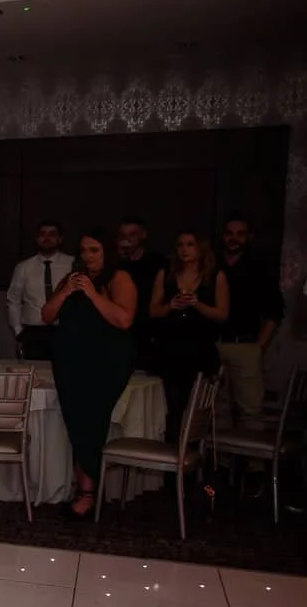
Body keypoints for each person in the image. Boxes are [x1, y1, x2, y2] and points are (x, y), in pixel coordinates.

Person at [43, 229, 137, 518]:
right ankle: (84, 488)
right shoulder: (71, 279)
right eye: (83, 250)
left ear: (107, 251)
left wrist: (92, 294)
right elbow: (47, 315)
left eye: (94, 250)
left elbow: (123, 320)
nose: (87, 256)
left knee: (91, 422)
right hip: (70, 362)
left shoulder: (119, 278)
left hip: (103, 363)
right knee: (75, 422)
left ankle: (88, 492)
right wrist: (66, 291)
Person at [150, 229, 229, 439]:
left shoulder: (215, 276)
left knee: (194, 406)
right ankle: (169, 449)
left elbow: (222, 314)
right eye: (180, 245)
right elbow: (153, 311)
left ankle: (189, 451)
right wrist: (170, 306)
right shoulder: (166, 273)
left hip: (199, 349)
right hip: (170, 349)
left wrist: (197, 304)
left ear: (200, 248)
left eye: (190, 244)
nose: (184, 250)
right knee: (171, 405)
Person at [218, 213, 283, 429]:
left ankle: (252, 453)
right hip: (214, 344)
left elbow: (275, 311)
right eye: (229, 233)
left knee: (251, 411)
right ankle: (219, 453)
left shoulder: (259, 267)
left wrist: (259, 347)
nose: (234, 238)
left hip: (245, 344)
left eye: (240, 234)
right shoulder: (213, 264)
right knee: (216, 409)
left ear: (249, 237)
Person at [7, 220, 73, 361]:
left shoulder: (72, 264)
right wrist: (18, 331)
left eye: (52, 234)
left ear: (60, 239)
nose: (47, 238)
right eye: (42, 234)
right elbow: (13, 300)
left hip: (65, 330)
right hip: (34, 333)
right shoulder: (24, 267)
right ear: (36, 239)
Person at [116, 215, 167, 373]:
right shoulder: (116, 263)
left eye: (132, 234)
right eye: (123, 235)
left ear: (143, 235)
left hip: (148, 331)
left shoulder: (157, 262)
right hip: (121, 331)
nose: (127, 240)